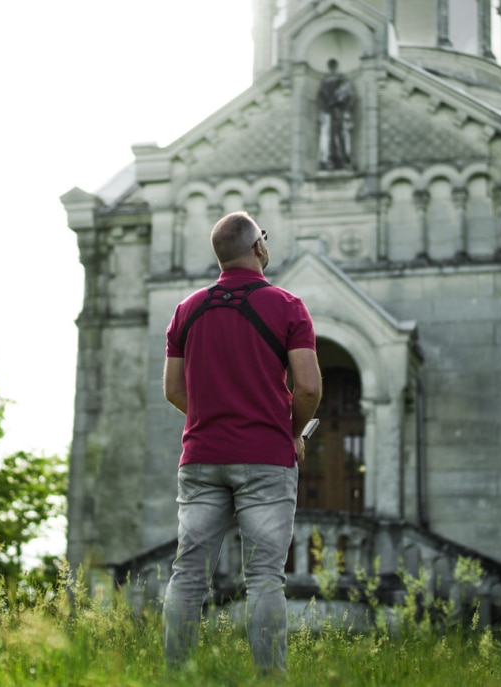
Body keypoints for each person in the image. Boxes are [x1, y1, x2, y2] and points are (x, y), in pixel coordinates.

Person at [162, 211, 322, 675]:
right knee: (265, 578)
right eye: (264, 238)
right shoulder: (288, 306)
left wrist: (212, 419)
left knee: (188, 575)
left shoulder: (186, 310)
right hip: (266, 460)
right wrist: (290, 434)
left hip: (201, 460)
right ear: (258, 247)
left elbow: (173, 389)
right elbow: (309, 388)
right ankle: (270, 679)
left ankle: (176, 677)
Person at [317, 58, 355, 170]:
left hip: (339, 111)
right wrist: (328, 104)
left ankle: (343, 158)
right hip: (329, 113)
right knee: (328, 136)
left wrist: (338, 102)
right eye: (330, 65)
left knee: (341, 135)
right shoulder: (325, 81)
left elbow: (347, 95)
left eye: (333, 65)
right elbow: (321, 97)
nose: (332, 67)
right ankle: (329, 159)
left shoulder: (342, 80)